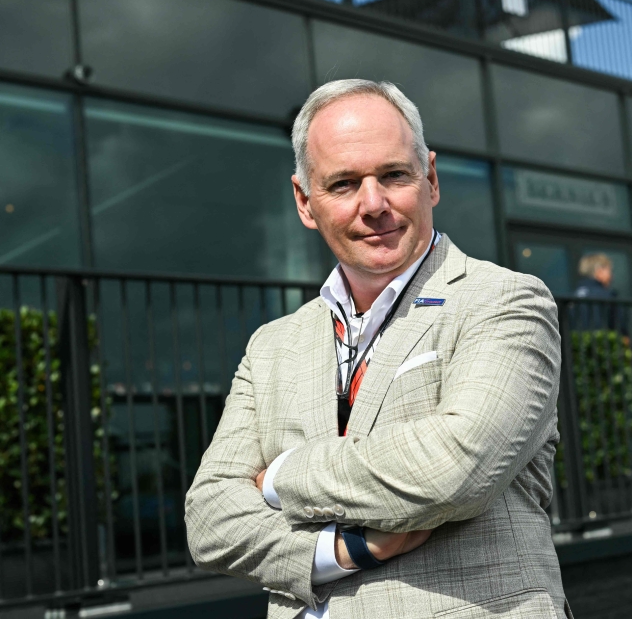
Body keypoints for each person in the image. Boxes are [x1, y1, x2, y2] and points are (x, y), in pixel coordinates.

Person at [185, 80, 571, 619]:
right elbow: (208, 520)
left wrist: (279, 477)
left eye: (393, 175)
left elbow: (453, 469)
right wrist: (342, 551)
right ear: (305, 201)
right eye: (343, 184)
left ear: (430, 179)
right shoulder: (272, 345)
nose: (374, 204)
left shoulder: (504, 302)